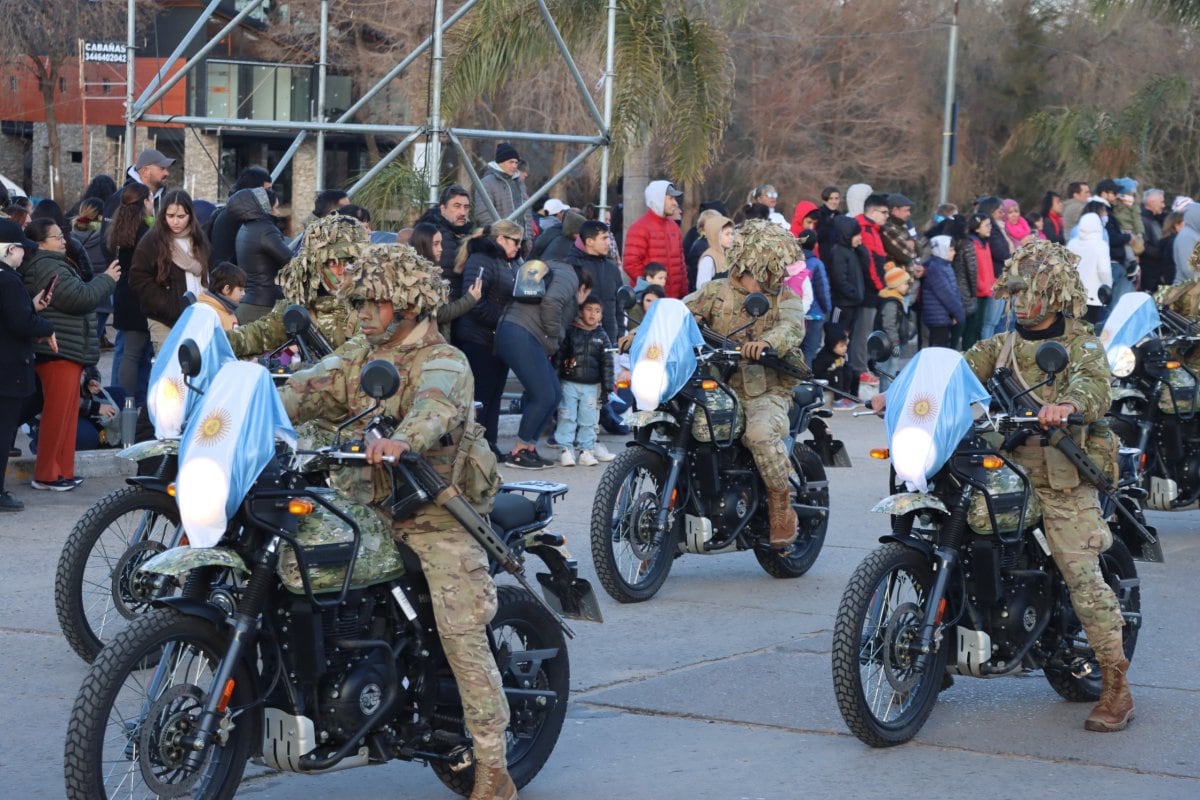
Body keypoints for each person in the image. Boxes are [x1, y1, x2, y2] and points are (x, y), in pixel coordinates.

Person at [278, 253, 515, 800]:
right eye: (358, 301)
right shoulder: (361, 355)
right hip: (366, 508)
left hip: (435, 516)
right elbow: (303, 388)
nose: (363, 312)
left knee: (461, 632)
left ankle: (492, 767)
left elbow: (433, 408)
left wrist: (403, 440)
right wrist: (237, 411)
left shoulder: (444, 359)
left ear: (407, 305)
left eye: (375, 302)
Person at [871, 240, 1133, 734]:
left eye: (1026, 292)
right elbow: (955, 370)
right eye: (1012, 292)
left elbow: (1094, 387)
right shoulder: (1002, 344)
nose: (1017, 302)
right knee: (956, 526)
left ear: (1052, 295)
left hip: (1060, 473)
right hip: (1007, 463)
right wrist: (902, 391)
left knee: (1080, 574)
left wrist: (1068, 406)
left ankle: (1117, 687)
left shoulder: (1082, 343)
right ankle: (940, 647)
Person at [684, 219, 807, 548]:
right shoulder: (716, 291)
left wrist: (767, 343)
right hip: (717, 386)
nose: (776, 276)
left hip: (765, 391)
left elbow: (792, 327)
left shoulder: (784, 297)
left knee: (759, 434)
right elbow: (681, 313)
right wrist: (643, 334)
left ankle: (782, 506)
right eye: (771, 269)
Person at [20, 218, 120, 491]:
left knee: (64, 416)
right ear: (41, 244)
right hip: (58, 351)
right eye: (57, 237)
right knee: (56, 416)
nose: (64, 241)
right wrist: (107, 280)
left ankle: (61, 472)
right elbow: (81, 297)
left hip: (66, 350)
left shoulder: (52, 264)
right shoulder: (48, 266)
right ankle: (47, 474)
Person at [227, 214, 369, 358]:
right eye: (332, 263)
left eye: (349, 262)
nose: (341, 271)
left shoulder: (371, 306)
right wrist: (215, 341)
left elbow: (360, 349)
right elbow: (259, 334)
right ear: (316, 266)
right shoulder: (302, 304)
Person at [498, 257, 579, 468]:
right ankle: (518, 451)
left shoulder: (558, 270)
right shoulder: (570, 275)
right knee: (543, 395)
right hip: (520, 333)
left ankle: (529, 448)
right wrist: (553, 338)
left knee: (554, 394)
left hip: (520, 333)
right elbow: (551, 303)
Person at [454, 221, 523, 459]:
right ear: (501, 239)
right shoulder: (482, 259)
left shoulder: (506, 262)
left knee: (495, 394)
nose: (518, 247)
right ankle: (477, 446)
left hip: (497, 338)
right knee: (482, 396)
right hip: (478, 338)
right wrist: (504, 322)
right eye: (515, 241)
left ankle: (489, 443)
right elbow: (474, 303)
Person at [0, 221, 55, 510]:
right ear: (10, 249)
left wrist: (31, 307)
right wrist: (47, 326)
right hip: (7, 369)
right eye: (21, 249)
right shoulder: (8, 280)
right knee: (3, 431)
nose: (24, 254)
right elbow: (20, 323)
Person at [128, 189, 210, 350]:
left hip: (198, 316)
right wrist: (169, 306)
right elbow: (138, 279)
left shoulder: (200, 240)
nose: (175, 222)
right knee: (168, 372)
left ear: (190, 216)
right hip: (164, 320)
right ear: (163, 215)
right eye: (170, 216)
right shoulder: (152, 241)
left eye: (181, 217)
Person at [107, 183, 155, 406]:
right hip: (139, 298)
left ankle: (128, 403)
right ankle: (127, 407)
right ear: (144, 202)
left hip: (124, 295)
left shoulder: (121, 227)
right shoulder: (145, 232)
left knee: (131, 352)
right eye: (151, 198)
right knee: (134, 354)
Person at [554, 294, 614, 467]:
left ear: (601, 315)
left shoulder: (602, 336)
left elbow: (608, 363)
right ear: (580, 311)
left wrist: (607, 387)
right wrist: (556, 379)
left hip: (591, 387)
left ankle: (586, 450)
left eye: (597, 311)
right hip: (569, 384)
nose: (592, 314)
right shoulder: (570, 332)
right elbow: (559, 357)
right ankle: (566, 449)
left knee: (588, 419)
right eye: (588, 309)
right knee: (567, 416)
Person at [233, 188, 291, 324]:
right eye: (275, 208)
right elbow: (290, 261)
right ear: (264, 206)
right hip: (263, 305)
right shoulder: (265, 230)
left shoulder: (245, 227)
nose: (278, 212)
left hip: (250, 301)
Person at [623, 180, 687, 298]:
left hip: (673, 302)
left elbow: (681, 265)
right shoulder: (640, 228)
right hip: (649, 302)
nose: (675, 203)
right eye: (671, 198)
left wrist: (684, 295)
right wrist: (651, 289)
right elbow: (630, 264)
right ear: (658, 198)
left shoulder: (674, 228)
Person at [205, 166, 273, 266]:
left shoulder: (234, 211)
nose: (271, 194)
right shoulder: (238, 216)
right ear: (255, 190)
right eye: (268, 190)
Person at [475, 143, 534, 246]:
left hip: (521, 242)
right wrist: (499, 236)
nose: (514, 166)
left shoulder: (520, 184)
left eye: (516, 163)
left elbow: (527, 213)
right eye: (511, 162)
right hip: (500, 242)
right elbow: (483, 213)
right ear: (500, 162)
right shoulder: (487, 182)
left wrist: (528, 238)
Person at [1067, 213, 1114, 326]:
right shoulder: (1100, 245)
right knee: (1091, 331)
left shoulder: (1072, 243)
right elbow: (1104, 271)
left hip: (1073, 296)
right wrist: (1108, 288)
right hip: (1095, 296)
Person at [415, 185, 473, 272]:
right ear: (443, 209)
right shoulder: (432, 236)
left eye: (466, 207)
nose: (463, 213)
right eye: (457, 206)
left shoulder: (466, 235)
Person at [920, 235, 965, 348]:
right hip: (937, 319)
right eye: (950, 250)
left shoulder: (944, 266)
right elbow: (947, 295)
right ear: (942, 250)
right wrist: (959, 314)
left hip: (944, 317)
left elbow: (954, 291)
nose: (954, 252)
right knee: (938, 350)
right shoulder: (936, 268)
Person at [104, 148, 174, 218]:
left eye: (166, 169)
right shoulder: (120, 199)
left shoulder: (168, 200)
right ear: (145, 171)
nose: (167, 173)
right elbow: (110, 228)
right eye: (162, 168)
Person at [874, 266, 912, 391]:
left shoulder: (897, 299)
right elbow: (889, 324)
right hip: (891, 344)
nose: (907, 286)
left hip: (893, 342)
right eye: (905, 283)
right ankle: (887, 396)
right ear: (897, 285)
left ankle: (887, 394)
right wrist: (895, 340)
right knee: (890, 370)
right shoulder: (891, 302)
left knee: (891, 369)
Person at [813, 321, 853, 409]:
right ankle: (837, 400)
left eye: (845, 345)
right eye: (841, 346)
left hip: (834, 378)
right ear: (832, 345)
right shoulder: (824, 356)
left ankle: (845, 394)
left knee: (848, 370)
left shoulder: (841, 354)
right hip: (823, 379)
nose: (845, 348)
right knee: (837, 374)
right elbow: (816, 371)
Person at [196, 261, 246, 331]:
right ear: (226, 289)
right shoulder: (211, 314)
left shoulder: (226, 309)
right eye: (240, 290)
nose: (244, 293)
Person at [1139, 188, 1169, 293]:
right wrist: (1164, 253)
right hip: (1149, 275)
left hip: (1156, 273)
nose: (1163, 205)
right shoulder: (1143, 220)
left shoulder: (1155, 219)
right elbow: (1144, 247)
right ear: (1151, 202)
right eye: (1161, 202)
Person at [695, 212, 734, 289]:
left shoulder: (728, 255)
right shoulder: (709, 259)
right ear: (715, 235)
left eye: (732, 234)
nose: (731, 237)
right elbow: (701, 287)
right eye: (727, 234)